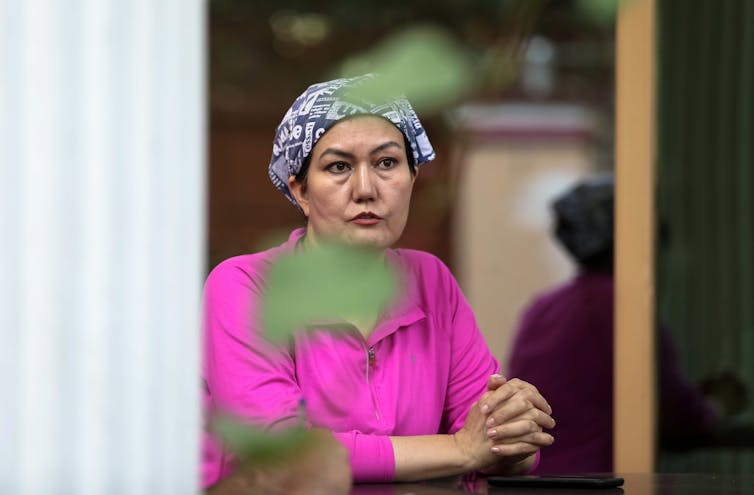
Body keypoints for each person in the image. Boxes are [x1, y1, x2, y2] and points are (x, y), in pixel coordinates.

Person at [202, 74, 555, 490]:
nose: (366, 189)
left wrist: (516, 434)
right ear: (300, 191)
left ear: (412, 178)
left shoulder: (431, 281)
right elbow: (285, 453)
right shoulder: (244, 286)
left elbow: (487, 437)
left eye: (387, 163)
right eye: (338, 167)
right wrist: (462, 449)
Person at [506, 174, 722, 474]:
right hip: (594, 481)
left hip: (535, 477)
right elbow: (679, 417)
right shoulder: (621, 308)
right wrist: (718, 405)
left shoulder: (544, 307)